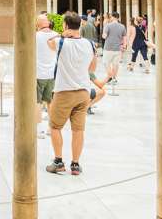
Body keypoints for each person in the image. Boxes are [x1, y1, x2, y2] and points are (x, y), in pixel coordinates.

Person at [46, 12, 96, 176]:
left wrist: (63, 35)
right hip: (83, 92)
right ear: (80, 25)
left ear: (66, 26)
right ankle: (75, 164)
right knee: (78, 130)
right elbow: (92, 68)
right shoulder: (90, 44)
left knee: (54, 127)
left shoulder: (60, 42)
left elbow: (49, 42)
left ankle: (58, 161)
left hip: (64, 91)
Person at [36, 14, 60, 138]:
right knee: (50, 102)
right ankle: (51, 129)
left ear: (38, 24)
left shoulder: (35, 36)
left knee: (37, 102)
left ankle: (39, 131)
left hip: (38, 74)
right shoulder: (56, 36)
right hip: (51, 74)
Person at [102, 12, 126, 84]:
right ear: (118, 17)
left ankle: (109, 76)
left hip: (108, 48)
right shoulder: (122, 26)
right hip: (117, 48)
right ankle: (114, 78)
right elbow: (124, 37)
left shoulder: (108, 25)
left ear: (112, 17)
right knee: (115, 64)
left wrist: (104, 30)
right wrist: (124, 46)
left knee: (106, 63)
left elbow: (104, 36)